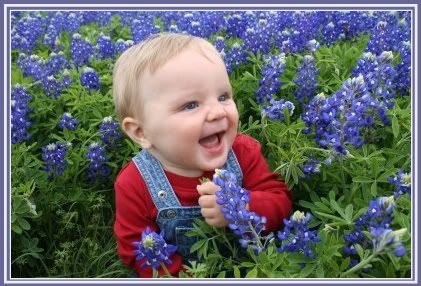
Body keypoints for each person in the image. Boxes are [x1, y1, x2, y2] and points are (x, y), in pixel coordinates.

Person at [112, 33, 292, 278]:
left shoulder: (242, 152)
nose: (217, 111)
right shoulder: (134, 183)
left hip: (258, 269)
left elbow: (280, 202)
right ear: (141, 132)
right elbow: (137, 250)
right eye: (191, 105)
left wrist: (243, 206)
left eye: (223, 97)